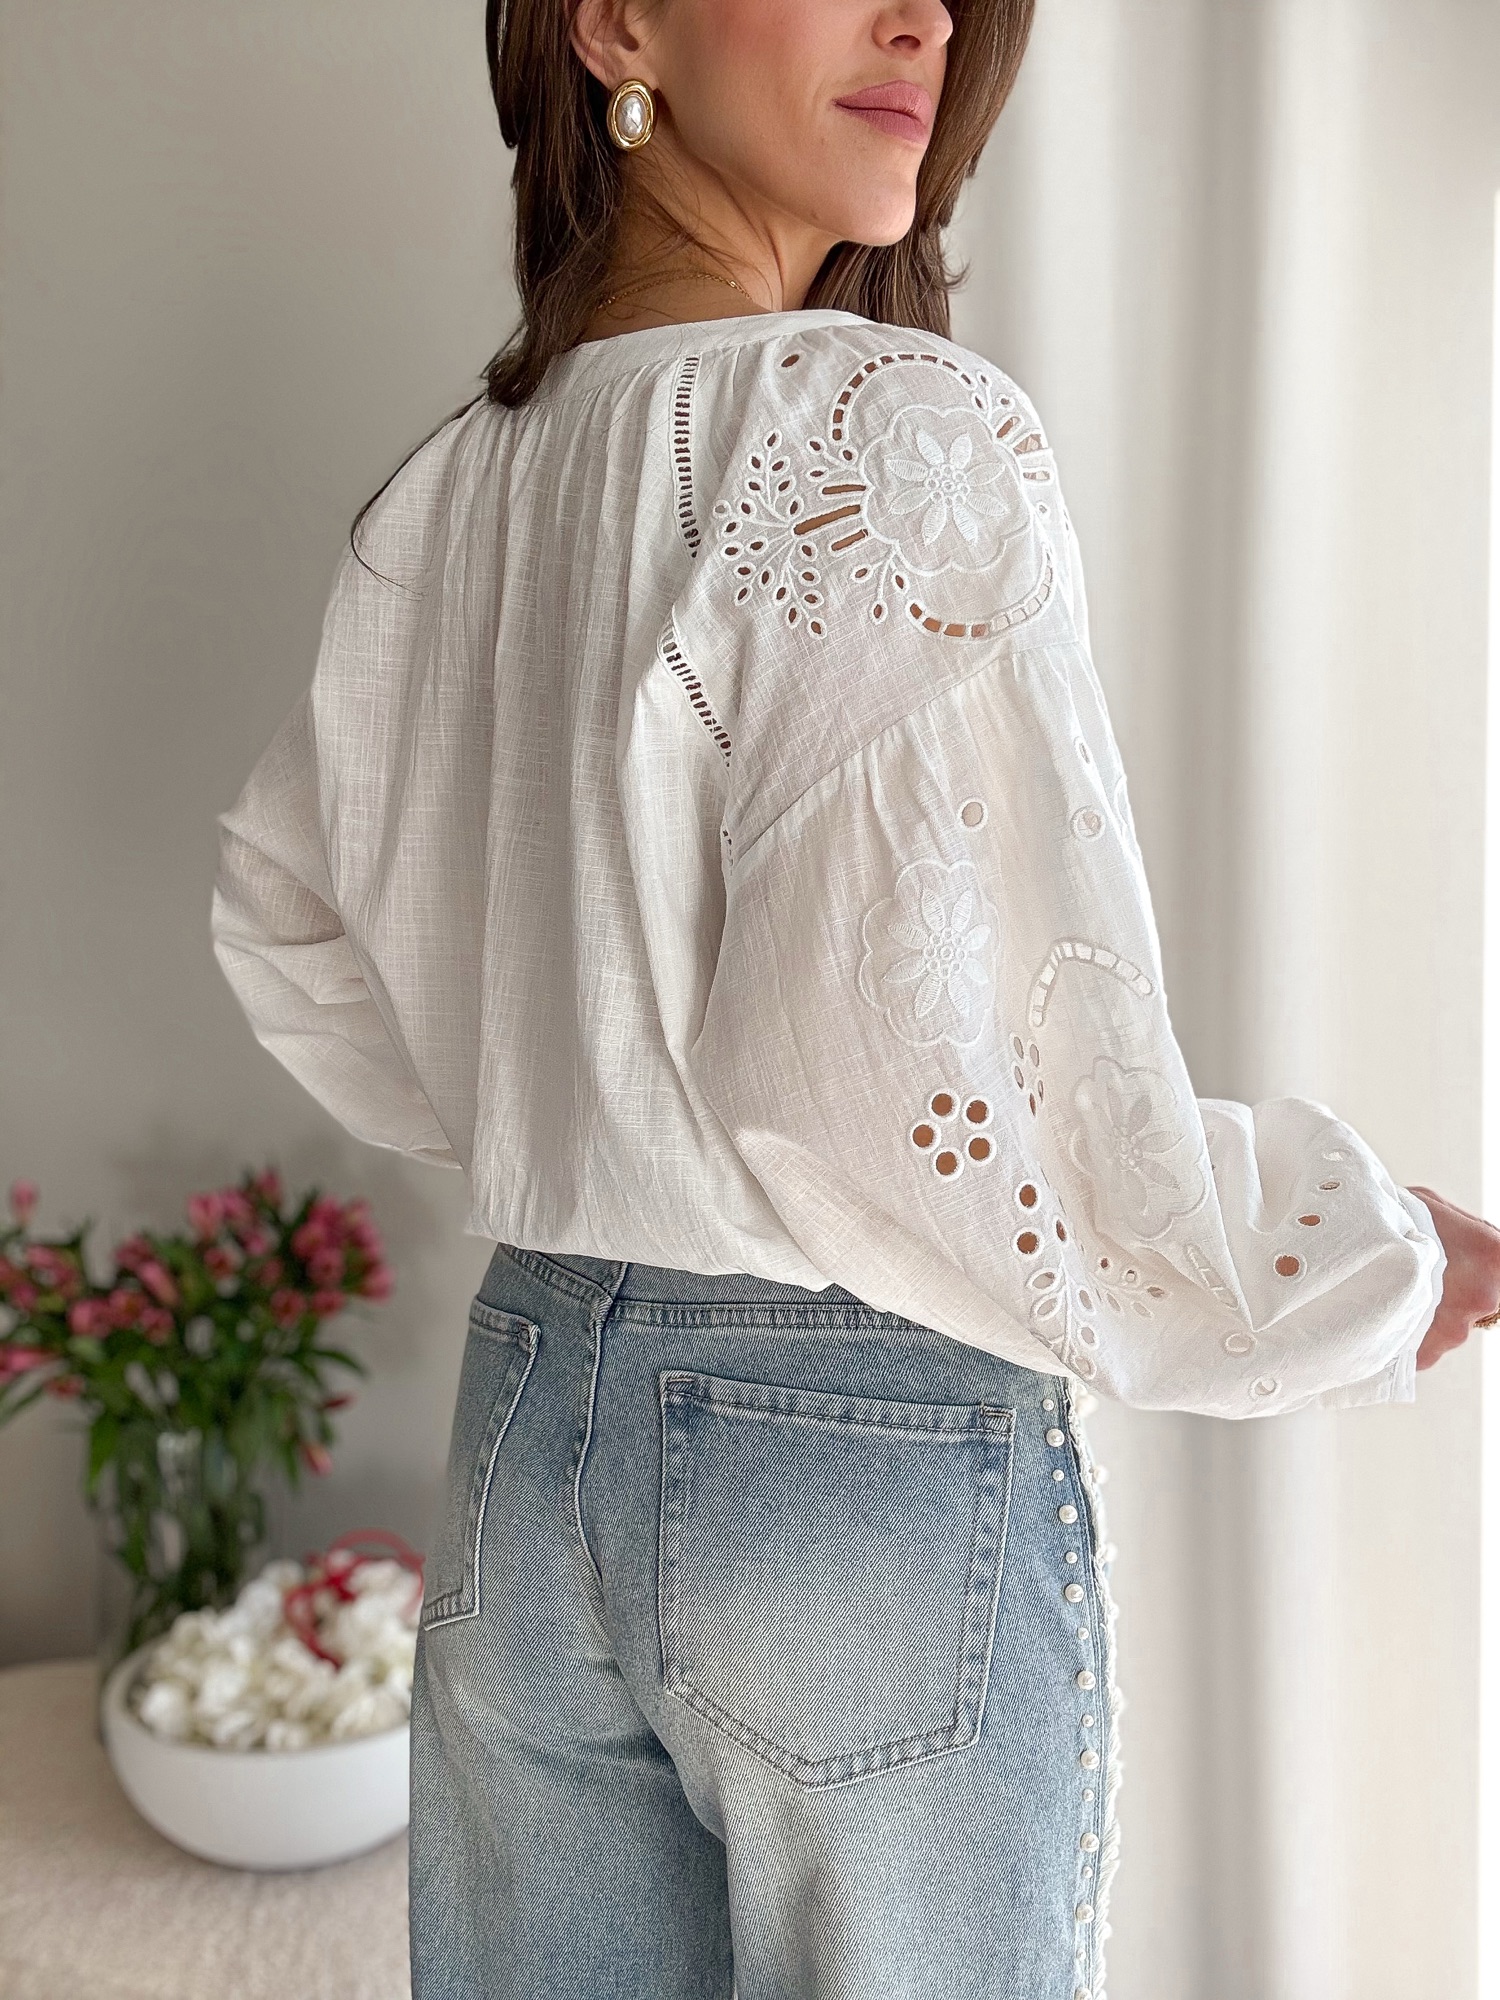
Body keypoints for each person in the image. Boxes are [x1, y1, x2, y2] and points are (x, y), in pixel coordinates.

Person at [208, 0, 1500, 1993]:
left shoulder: (449, 489)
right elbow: (954, 1081)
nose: (925, 21)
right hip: (848, 1452)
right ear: (613, 21)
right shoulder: (879, 427)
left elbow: (288, 921)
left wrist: (578, 1100)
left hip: (531, 1402)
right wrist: (1358, 1257)